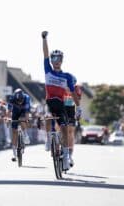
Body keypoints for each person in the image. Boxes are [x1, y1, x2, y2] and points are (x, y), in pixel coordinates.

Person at [41, 31, 82, 171]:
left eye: (58, 59)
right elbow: (45, 53)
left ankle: (65, 157)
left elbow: (73, 93)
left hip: (61, 104)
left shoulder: (67, 77)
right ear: (51, 61)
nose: (56, 62)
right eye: (54, 59)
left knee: (65, 129)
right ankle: (48, 139)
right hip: (50, 101)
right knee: (47, 116)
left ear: (62, 61)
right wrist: (44, 39)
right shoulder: (48, 70)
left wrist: (79, 107)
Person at [7, 88, 31, 162]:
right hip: (15, 112)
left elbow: (27, 113)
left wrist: (27, 120)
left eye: (21, 101)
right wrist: (8, 119)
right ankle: (14, 154)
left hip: (23, 112)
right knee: (14, 132)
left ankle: (25, 135)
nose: (20, 102)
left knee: (22, 119)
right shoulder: (11, 98)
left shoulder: (26, 98)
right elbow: (9, 111)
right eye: (18, 101)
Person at [64, 77, 82, 167]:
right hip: (61, 109)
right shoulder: (60, 88)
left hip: (71, 110)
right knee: (58, 126)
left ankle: (70, 155)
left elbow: (77, 102)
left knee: (70, 132)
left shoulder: (77, 89)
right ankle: (56, 146)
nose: (69, 88)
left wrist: (78, 115)